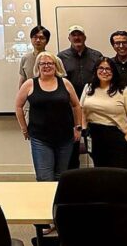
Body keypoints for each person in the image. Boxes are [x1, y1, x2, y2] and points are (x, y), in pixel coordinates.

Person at [14, 52, 82, 182]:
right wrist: (24, 128)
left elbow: (76, 106)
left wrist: (78, 127)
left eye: (50, 63)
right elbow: (18, 106)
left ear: (56, 66)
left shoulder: (65, 83)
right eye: (43, 63)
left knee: (61, 176)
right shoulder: (29, 84)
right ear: (38, 66)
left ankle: (58, 197)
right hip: (40, 139)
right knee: (44, 178)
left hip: (65, 138)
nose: (46, 66)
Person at [80, 57, 127, 171]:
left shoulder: (125, 91)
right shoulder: (88, 88)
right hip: (96, 138)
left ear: (114, 71)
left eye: (108, 69)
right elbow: (82, 110)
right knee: (101, 175)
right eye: (101, 68)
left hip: (118, 138)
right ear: (96, 70)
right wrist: (84, 131)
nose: (104, 71)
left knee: (120, 177)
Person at [59, 25, 103, 168]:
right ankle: (73, 177)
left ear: (84, 37)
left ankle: (100, 176)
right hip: (70, 109)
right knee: (72, 149)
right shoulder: (61, 57)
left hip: (92, 107)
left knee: (97, 148)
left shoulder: (96, 56)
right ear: (69, 38)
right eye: (74, 35)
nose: (77, 37)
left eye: (79, 35)